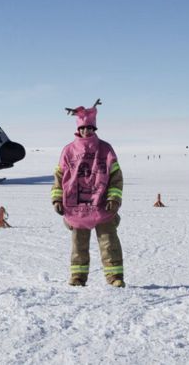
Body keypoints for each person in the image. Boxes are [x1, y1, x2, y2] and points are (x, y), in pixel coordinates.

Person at [51, 99, 125, 288]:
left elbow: (116, 175)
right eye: (83, 128)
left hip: (101, 205)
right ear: (78, 130)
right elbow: (59, 177)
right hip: (77, 206)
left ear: (94, 129)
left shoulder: (105, 149)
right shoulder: (68, 151)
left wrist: (113, 198)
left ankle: (115, 278)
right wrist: (57, 199)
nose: (87, 131)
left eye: (90, 128)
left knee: (109, 243)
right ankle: (78, 278)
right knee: (79, 246)